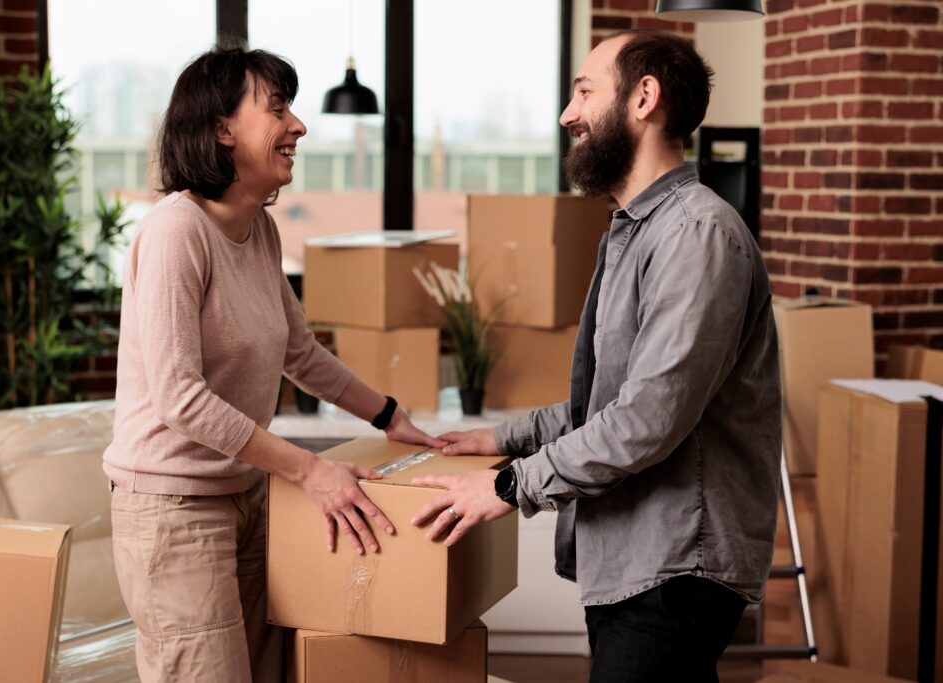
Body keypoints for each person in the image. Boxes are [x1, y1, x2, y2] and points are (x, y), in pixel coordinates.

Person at [412, 29, 781, 683]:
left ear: (644, 98)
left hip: (674, 566)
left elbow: (647, 418)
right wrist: (495, 437)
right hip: (638, 563)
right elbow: (604, 405)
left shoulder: (696, 235)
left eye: (584, 91)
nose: (568, 114)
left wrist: (508, 485)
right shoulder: (634, 231)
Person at [102, 45, 444, 683]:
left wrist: (392, 417)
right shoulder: (176, 232)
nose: (299, 126)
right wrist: (310, 471)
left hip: (243, 494)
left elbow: (299, 352)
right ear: (223, 128)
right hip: (173, 507)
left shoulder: (259, 230)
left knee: (266, 672)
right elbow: (180, 398)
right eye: (279, 108)